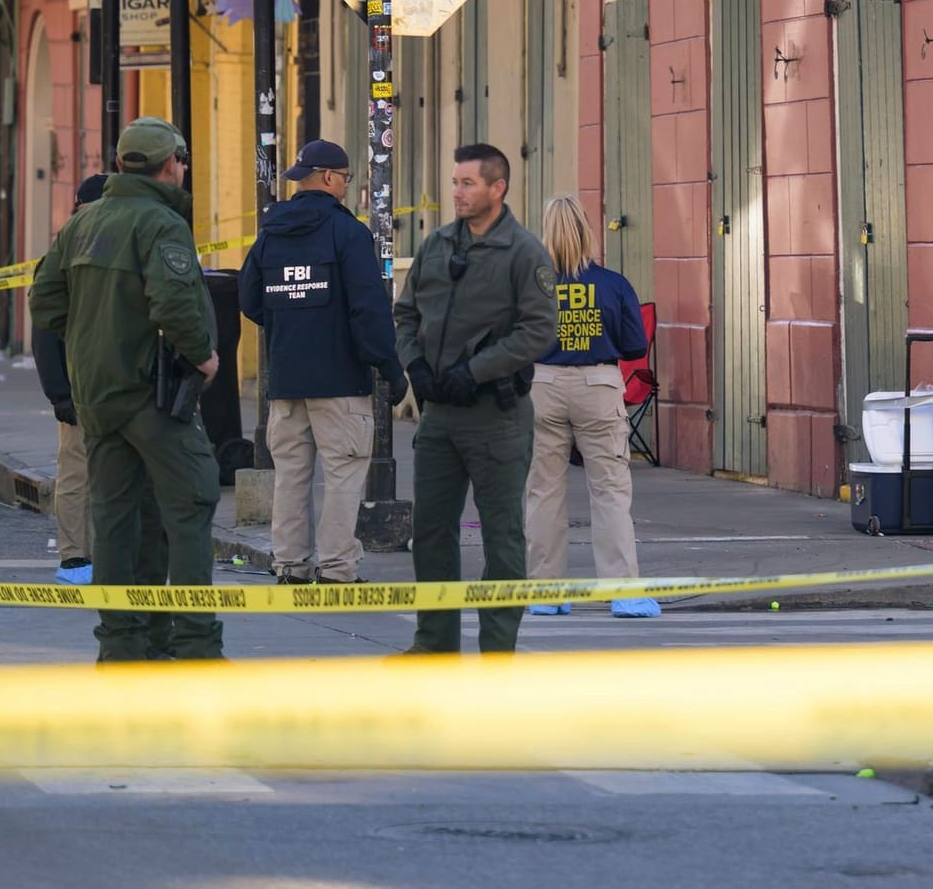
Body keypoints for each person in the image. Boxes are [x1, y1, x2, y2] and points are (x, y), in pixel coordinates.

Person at [30, 117, 225, 663]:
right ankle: (194, 644)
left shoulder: (82, 224)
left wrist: (94, 335)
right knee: (191, 500)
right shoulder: (160, 223)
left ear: (119, 164)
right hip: (149, 393)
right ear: (171, 166)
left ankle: (123, 646)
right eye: (181, 163)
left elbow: (44, 303)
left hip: (96, 395)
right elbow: (174, 304)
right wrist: (203, 358)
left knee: (116, 518)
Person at [394, 143, 558, 655]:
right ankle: (434, 644)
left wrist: (476, 370)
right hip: (440, 415)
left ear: (497, 188)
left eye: (468, 183)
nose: (457, 193)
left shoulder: (524, 252)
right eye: (455, 182)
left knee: (502, 536)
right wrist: (414, 365)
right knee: (431, 530)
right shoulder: (438, 245)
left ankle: (497, 652)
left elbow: (539, 331)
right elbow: (405, 315)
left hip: (496, 416)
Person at [238, 139, 406, 585]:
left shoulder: (271, 232)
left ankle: (290, 565)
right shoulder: (348, 233)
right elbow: (368, 309)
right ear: (330, 177)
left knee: (290, 476)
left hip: (288, 380)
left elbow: (250, 298)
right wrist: (389, 367)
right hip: (340, 379)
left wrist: (289, 325)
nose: (347, 188)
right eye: (347, 179)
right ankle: (336, 569)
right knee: (344, 474)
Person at [522, 195, 658, 620]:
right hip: (598, 386)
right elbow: (636, 344)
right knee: (610, 490)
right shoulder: (613, 284)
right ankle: (623, 592)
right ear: (588, 230)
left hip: (542, 384)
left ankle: (546, 591)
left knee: (543, 492)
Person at [35, 172, 109, 585]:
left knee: (106, 473)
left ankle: (98, 554)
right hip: (80, 387)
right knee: (78, 473)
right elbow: (45, 331)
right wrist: (59, 394)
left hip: (112, 385)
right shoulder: (63, 257)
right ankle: (75, 558)